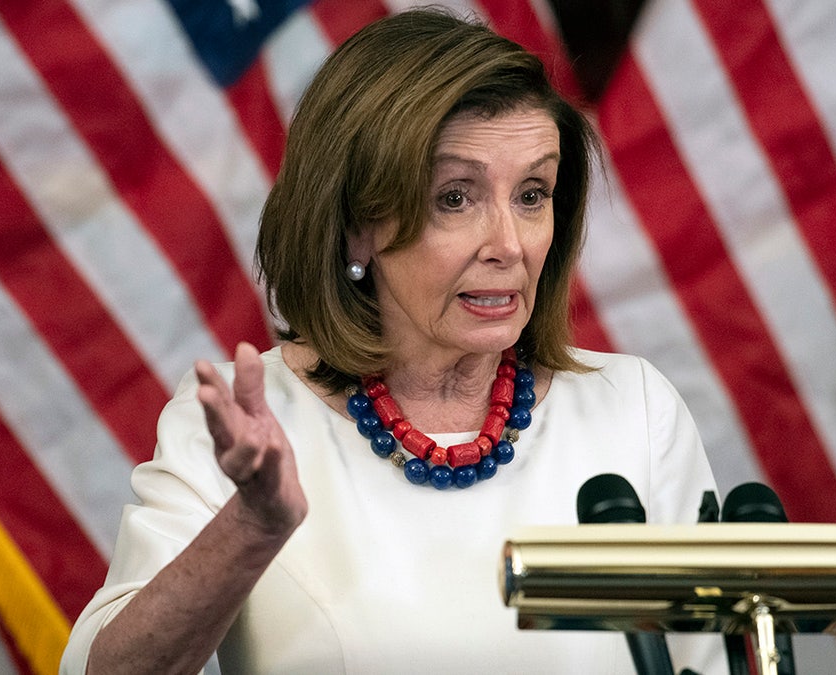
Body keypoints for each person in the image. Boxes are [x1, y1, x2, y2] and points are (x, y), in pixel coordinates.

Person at [62, 8, 722, 674]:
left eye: (531, 193)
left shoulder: (633, 410)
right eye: (456, 197)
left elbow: (712, 660)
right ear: (356, 227)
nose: (510, 244)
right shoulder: (250, 427)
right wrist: (252, 527)